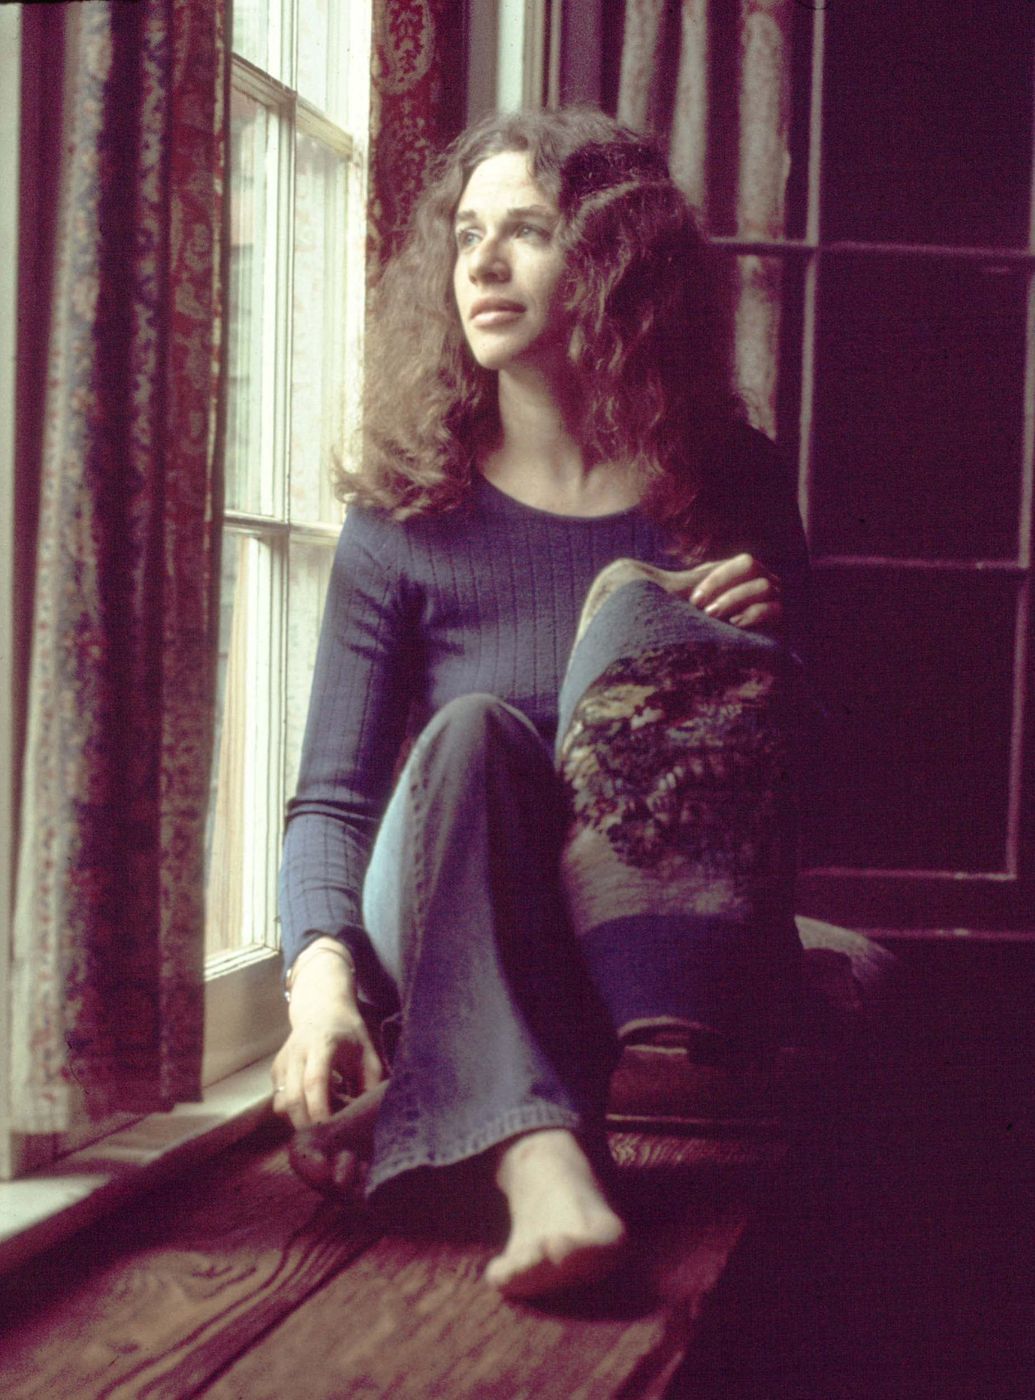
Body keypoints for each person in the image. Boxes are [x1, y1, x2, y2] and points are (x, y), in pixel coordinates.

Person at [272, 106, 810, 1301]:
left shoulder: (734, 482)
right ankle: (540, 1159)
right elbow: (331, 801)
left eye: (527, 230)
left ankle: (435, 1110)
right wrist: (320, 990)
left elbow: (805, 787)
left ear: (615, 262)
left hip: (635, 938)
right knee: (475, 730)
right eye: (468, 233)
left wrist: (772, 652)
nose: (483, 263)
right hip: (443, 907)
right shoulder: (405, 511)